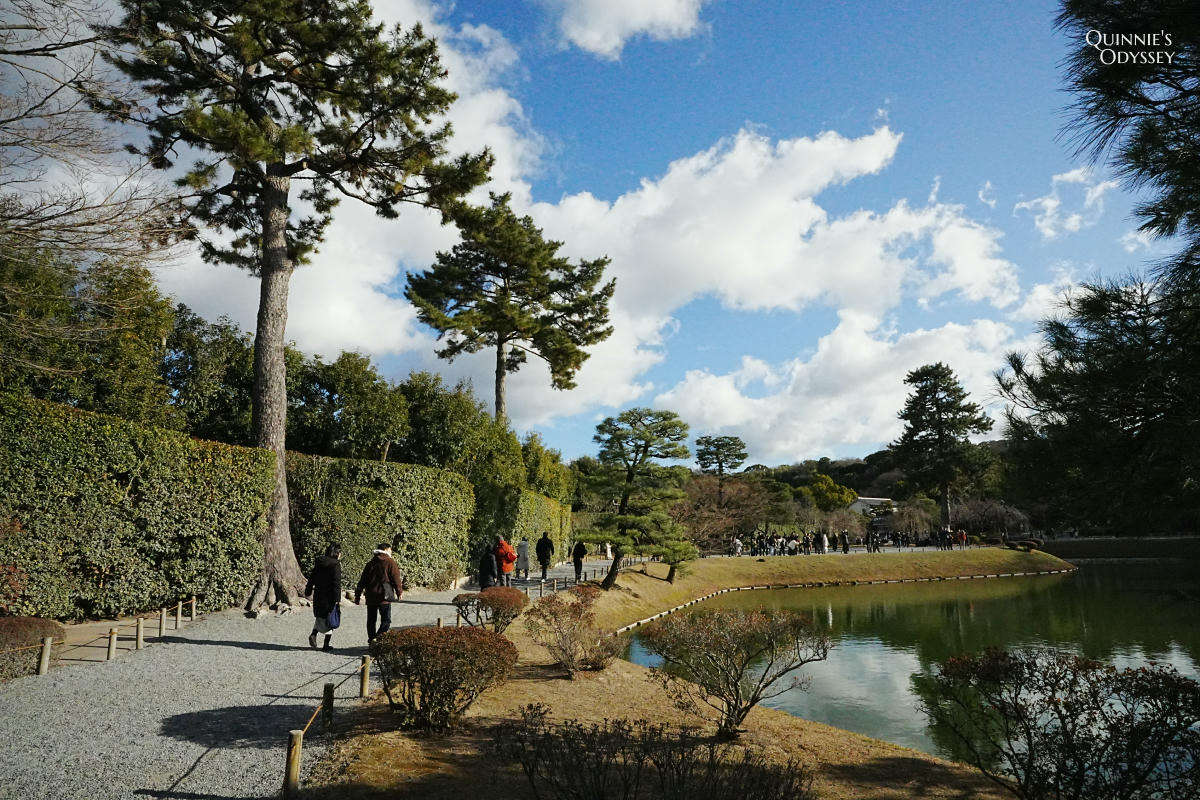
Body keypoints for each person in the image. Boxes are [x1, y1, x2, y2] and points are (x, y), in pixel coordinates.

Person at [354, 542, 404, 644]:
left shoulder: (370, 563)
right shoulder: (390, 562)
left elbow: (362, 580)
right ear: (386, 550)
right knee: (386, 620)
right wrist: (399, 592)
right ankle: (378, 638)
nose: (391, 552)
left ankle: (372, 639)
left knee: (371, 620)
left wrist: (357, 595)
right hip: (385, 594)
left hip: (371, 594)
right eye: (390, 550)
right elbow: (396, 579)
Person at [304, 544, 342, 651]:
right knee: (330, 619)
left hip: (319, 594)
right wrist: (337, 599)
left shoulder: (319, 563)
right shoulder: (335, 564)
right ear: (336, 553)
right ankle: (326, 644)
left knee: (320, 617)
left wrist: (308, 589)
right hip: (330, 596)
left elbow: (312, 577)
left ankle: (314, 634)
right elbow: (336, 582)